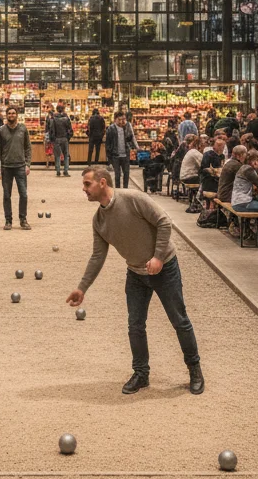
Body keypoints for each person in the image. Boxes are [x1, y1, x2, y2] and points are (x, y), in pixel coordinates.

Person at [66, 166, 203, 396]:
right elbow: (98, 256)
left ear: (102, 183)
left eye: (87, 184)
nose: (84, 189)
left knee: (179, 320)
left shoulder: (133, 199)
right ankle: (141, 374)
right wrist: (82, 288)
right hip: (136, 273)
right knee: (135, 325)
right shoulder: (99, 220)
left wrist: (158, 257)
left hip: (165, 267)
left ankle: (195, 370)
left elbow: (164, 222)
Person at [0, 106, 32, 231]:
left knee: (24, 194)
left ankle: (23, 219)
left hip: (20, 166)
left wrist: (28, 164)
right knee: (6, 195)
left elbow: (28, 148)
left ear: (17, 115)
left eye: (13, 113)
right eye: (9, 113)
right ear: (6, 115)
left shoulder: (23, 129)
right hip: (6, 167)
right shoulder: (1, 130)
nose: (11, 115)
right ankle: (8, 220)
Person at [105, 111, 138, 190]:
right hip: (115, 155)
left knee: (126, 174)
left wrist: (135, 147)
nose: (121, 121)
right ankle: (118, 190)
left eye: (123, 119)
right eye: (119, 119)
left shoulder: (127, 126)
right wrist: (109, 159)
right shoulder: (111, 129)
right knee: (117, 175)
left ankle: (125, 190)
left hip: (125, 154)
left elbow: (131, 138)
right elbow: (108, 144)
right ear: (115, 119)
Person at [48, 104, 74, 177]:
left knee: (57, 155)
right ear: (63, 109)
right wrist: (68, 137)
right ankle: (65, 171)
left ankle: (58, 171)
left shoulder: (53, 119)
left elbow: (51, 130)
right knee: (66, 155)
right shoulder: (66, 118)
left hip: (57, 139)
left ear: (56, 109)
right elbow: (70, 130)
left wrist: (52, 139)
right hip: (65, 138)